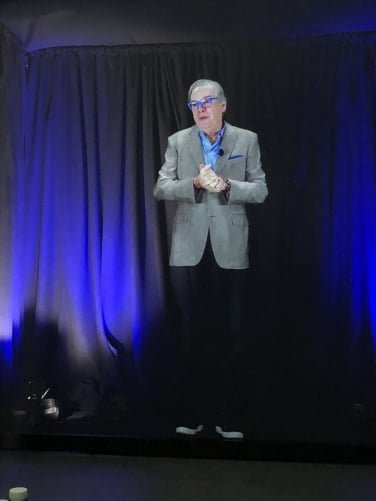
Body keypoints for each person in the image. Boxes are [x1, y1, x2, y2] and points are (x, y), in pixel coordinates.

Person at [153, 79, 268, 439]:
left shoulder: (246, 139)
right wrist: (196, 185)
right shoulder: (178, 141)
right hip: (190, 249)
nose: (201, 108)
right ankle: (194, 414)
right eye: (195, 104)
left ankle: (229, 416)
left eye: (208, 101)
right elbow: (161, 187)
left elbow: (261, 189)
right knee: (193, 334)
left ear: (223, 105)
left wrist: (229, 186)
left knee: (231, 333)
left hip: (231, 248)